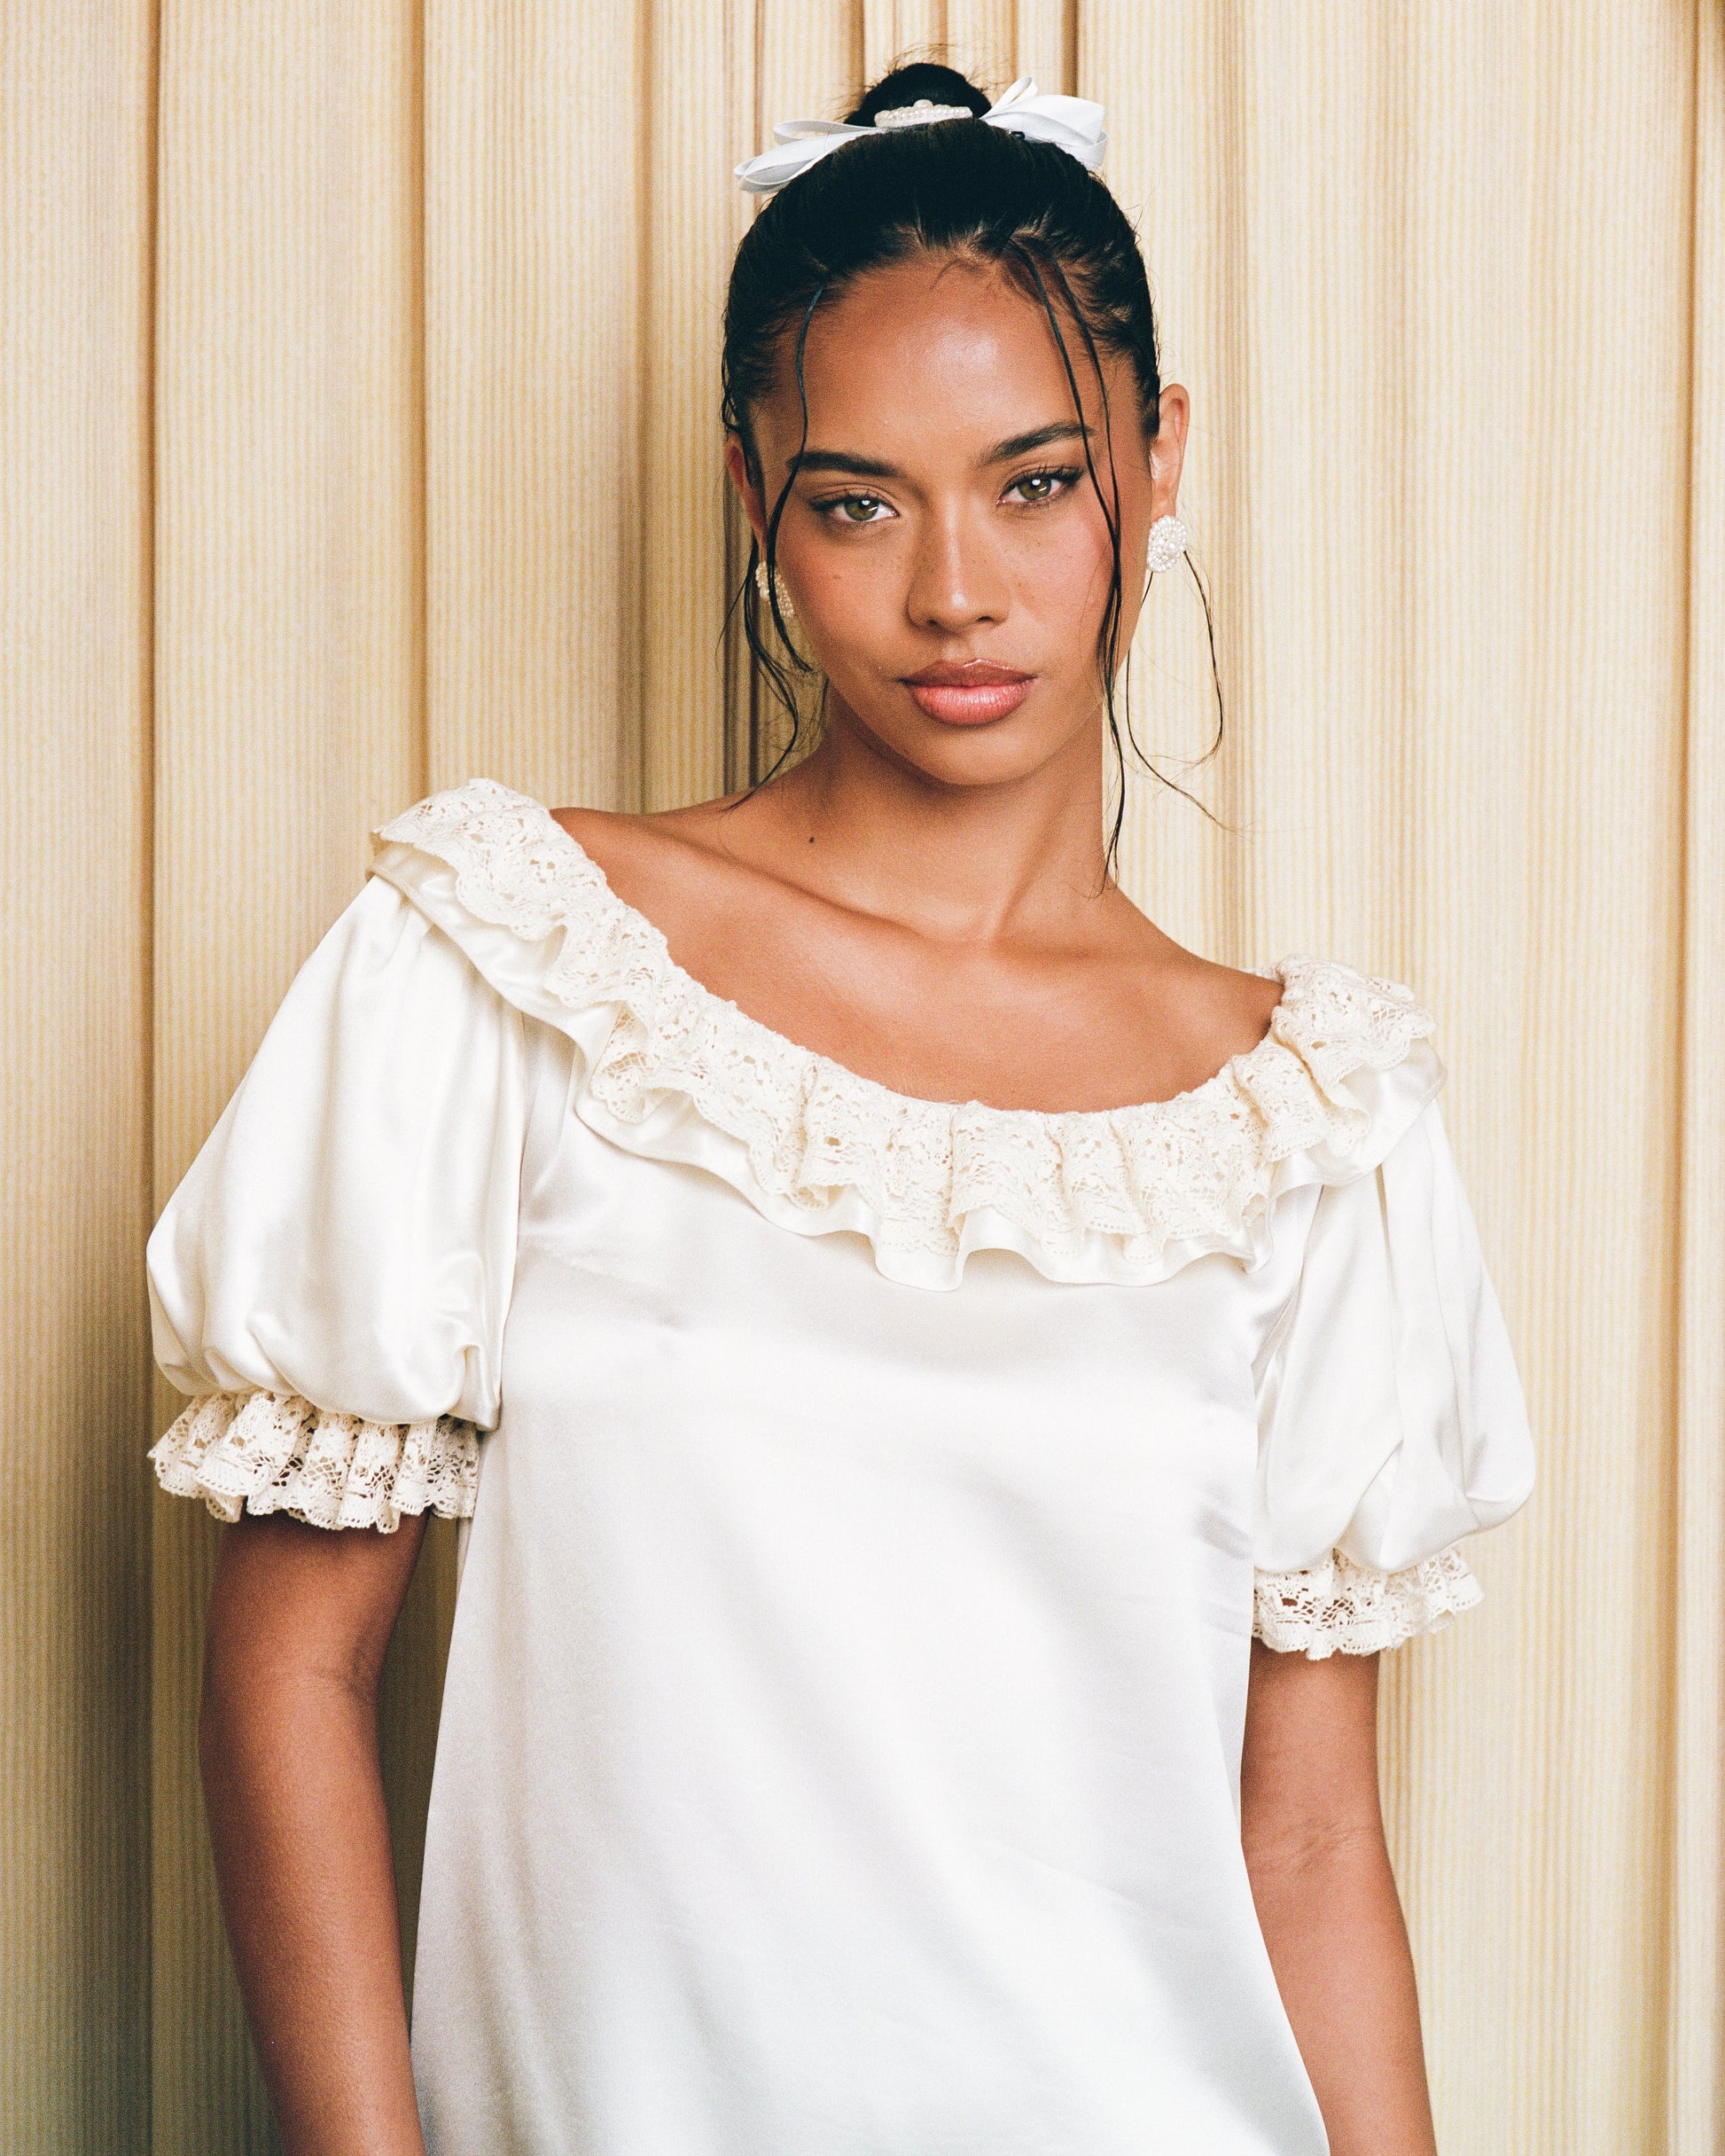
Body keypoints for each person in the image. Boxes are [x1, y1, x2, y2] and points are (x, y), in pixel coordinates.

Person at [146, 61, 1534, 2156]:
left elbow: (1312, 1840)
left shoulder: (1305, 1119)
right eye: (858, 501)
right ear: (751, 495)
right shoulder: (518, 958)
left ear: (1159, 459)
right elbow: (292, 1673)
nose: (954, 590)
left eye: (1035, 483)